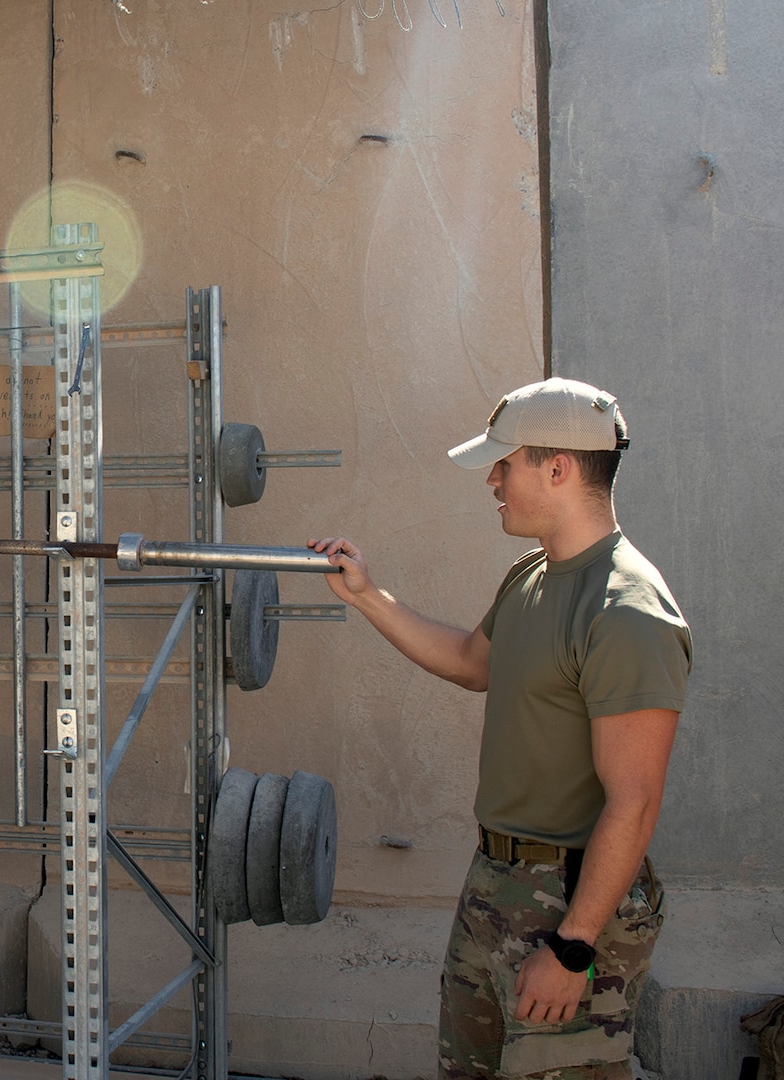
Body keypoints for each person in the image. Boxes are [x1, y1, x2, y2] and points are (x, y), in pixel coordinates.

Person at [309, 378, 692, 1078]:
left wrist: (574, 947)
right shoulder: (532, 577)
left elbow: (633, 803)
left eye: (504, 462)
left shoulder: (628, 612)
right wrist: (367, 596)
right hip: (495, 883)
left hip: (570, 903)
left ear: (558, 468)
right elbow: (468, 661)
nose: (492, 479)